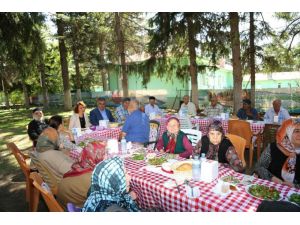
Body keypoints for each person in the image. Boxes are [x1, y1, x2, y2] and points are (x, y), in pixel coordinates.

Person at [254, 119, 300, 188]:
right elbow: (259, 166)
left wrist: (295, 186)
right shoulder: (273, 147)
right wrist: (274, 179)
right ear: (287, 131)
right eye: (297, 131)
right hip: (271, 187)